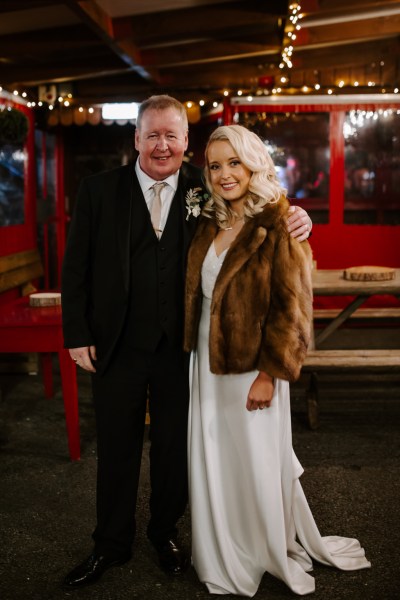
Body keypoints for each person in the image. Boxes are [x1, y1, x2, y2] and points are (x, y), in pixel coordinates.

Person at [61, 95, 313, 589]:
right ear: (135, 139)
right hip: (116, 346)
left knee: (176, 449)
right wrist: (77, 334)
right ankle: (110, 543)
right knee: (116, 448)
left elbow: (260, 206)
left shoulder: (208, 184)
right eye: (152, 134)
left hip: (182, 349)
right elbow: (75, 270)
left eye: (172, 135)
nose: (162, 145)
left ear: (186, 143)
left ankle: (164, 533)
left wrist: (299, 215)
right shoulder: (97, 191)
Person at [184, 125, 371, 597]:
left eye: (235, 162)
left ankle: (261, 546)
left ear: (254, 164)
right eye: (216, 165)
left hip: (253, 366)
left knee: (255, 460)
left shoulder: (279, 222)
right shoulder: (207, 219)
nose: (225, 174)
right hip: (205, 362)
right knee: (214, 457)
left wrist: (270, 375)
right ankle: (222, 548)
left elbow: (293, 311)